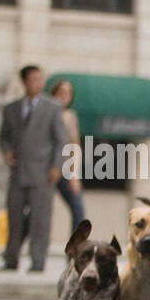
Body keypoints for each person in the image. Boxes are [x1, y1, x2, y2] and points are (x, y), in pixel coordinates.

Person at [0, 65, 68, 273]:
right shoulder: (11, 108)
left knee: (40, 220)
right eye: (33, 79)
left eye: (40, 79)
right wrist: (6, 151)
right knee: (14, 218)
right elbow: (4, 137)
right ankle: (11, 259)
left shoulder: (52, 107)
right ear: (24, 81)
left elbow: (61, 140)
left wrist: (57, 166)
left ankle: (38, 261)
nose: (37, 83)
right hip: (18, 172)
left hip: (43, 172)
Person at [48, 79, 86, 228]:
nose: (65, 96)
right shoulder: (46, 114)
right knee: (37, 210)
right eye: (61, 92)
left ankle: (75, 247)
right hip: (47, 168)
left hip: (65, 169)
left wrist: (74, 174)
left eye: (68, 93)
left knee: (78, 209)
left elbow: (75, 146)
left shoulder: (70, 116)